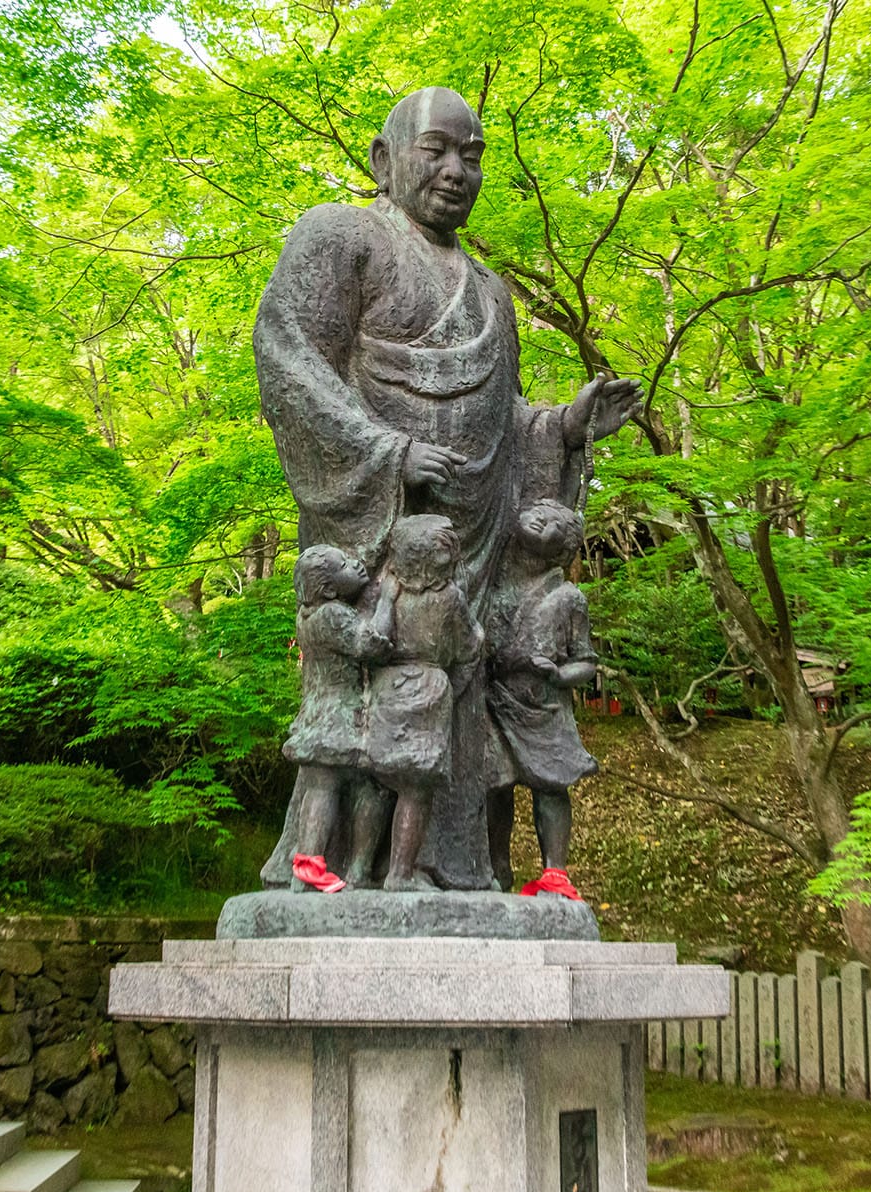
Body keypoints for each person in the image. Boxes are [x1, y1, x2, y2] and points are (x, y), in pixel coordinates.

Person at [254, 84, 640, 890]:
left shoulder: (492, 293)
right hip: (380, 534)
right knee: (372, 719)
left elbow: (505, 426)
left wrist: (563, 429)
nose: (457, 170)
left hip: (468, 554)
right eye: (436, 149)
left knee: (456, 717)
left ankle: (452, 868)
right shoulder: (343, 237)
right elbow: (290, 360)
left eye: (473, 155)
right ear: (384, 158)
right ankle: (338, 868)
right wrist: (388, 453)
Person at [485, 501, 599, 900]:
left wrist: (559, 674)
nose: (539, 518)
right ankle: (496, 866)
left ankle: (555, 869)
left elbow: (585, 661)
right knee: (495, 784)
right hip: (497, 696)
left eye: (552, 523)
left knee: (550, 786)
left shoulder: (569, 598)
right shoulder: (494, 583)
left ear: (562, 549)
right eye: (539, 512)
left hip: (546, 704)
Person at [363, 515, 483, 892]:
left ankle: (357, 868)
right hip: (430, 688)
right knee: (415, 789)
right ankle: (399, 873)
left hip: (387, 688)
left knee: (378, 782)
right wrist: (453, 684)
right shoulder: (449, 598)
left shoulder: (387, 590)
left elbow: (374, 640)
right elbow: (469, 646)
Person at [281, 545, 394, 892]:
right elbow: (372, 643)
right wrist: (388, 600)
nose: (357, 565)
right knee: (372, 785)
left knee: (320, 787)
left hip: (316, 713)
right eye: (345, 565)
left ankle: (308, 863)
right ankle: (358, 868)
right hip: (345, 714)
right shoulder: (333, 615)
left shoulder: (307, 615)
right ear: (329, 589)